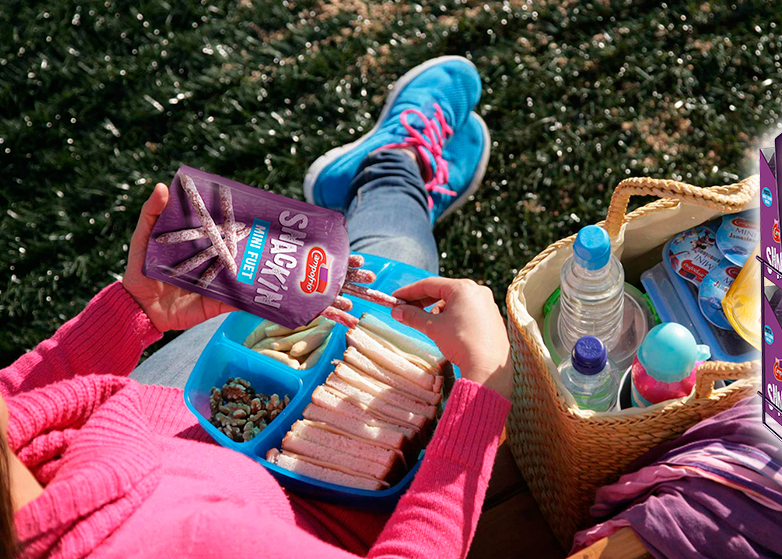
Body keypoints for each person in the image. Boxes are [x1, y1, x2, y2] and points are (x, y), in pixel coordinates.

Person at [0, 56, 512, 559]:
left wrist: (131, 313)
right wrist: (487, 387)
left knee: (356, 272)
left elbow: (17, 404)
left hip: (161, 431)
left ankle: (388, 176)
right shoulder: (194, 540)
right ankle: (393, 168)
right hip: (319, 516)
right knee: (393, 256)